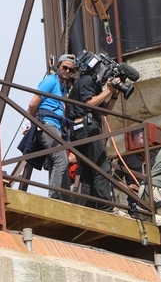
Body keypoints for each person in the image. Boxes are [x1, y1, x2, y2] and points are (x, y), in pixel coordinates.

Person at [65, 59, 121, 213]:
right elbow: (89, 104)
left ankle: (87, 209)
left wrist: (114, 94)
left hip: (79, 130)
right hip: (86, 127)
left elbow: (104, 111)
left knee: (88, 173)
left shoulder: (90, 84)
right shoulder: (87, 80)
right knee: (101, 168)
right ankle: (105, 208)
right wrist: (108, 90)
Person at [25, 54, 74, 200]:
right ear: (58, 66)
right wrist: (34, 122)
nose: (67, 71)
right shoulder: (51, 81)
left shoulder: (62, 85)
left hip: (55, 124)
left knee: (54, 160)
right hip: (47, 123)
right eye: (64, 67)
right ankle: (54, 196)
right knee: (61, 160)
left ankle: (53, 194)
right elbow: (33, 103)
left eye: (70, 70)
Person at [115, 130, 157, 209]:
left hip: (156, 197)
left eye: (147, 137)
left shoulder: (156, 152)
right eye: (142, 137)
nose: (145, 139)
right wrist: (128, 188)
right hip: (135, 199)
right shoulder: (126, 156)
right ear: (135, 139)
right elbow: (115, 180)